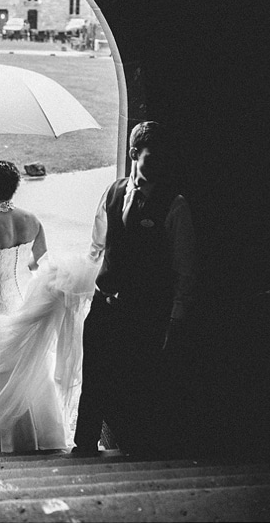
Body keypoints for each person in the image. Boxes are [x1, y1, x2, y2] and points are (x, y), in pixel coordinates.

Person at [72, 120, 197, 457]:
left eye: (161, 158)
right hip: (104, 303)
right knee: (93, 375)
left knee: (137, 381)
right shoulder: (113, 192)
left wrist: (176, 317)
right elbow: (98, 242)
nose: (156, 165)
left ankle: (135, 448)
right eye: (149, 157)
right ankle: (84, 445)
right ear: (132, 154)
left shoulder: (175, 205)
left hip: (144, 310)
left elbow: (184, 269)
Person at [0, 161, 97, 452]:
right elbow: (40, 265)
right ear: (15, 186)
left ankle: (2, 439)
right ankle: (39, 437)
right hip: (23, 304)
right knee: (29, 372)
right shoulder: (32, 221)